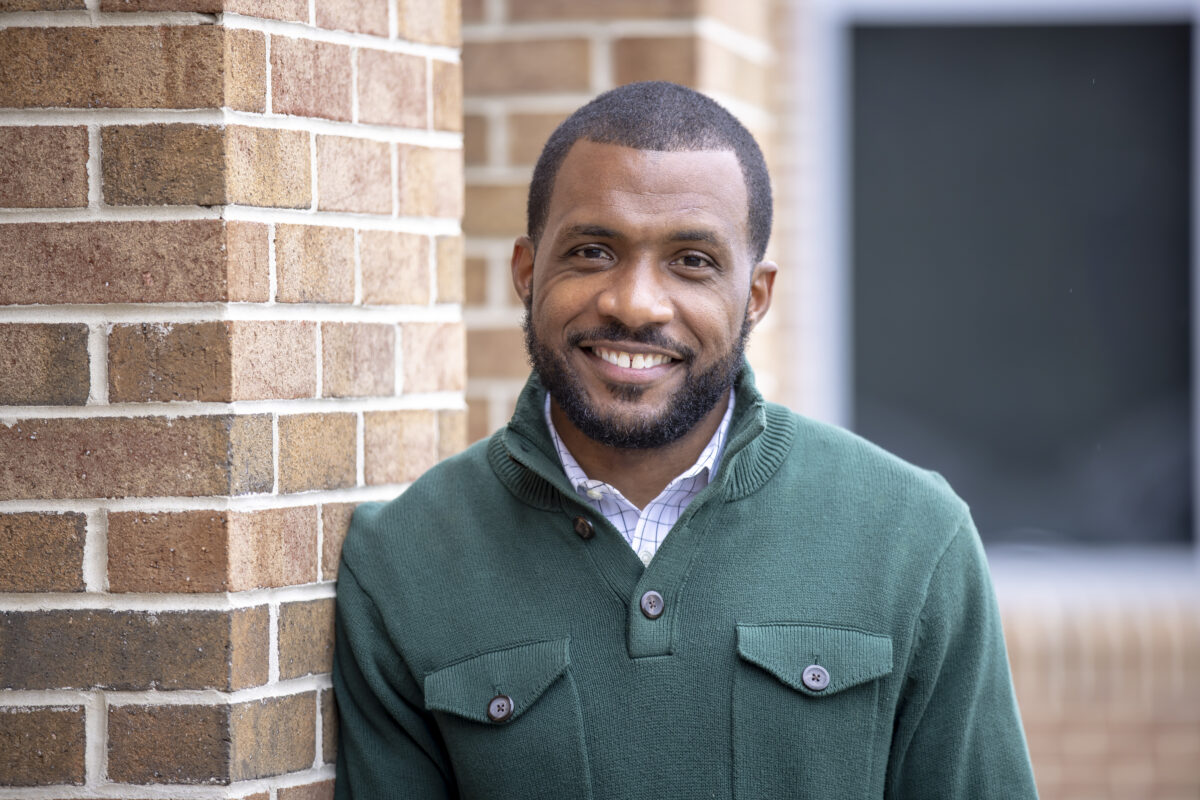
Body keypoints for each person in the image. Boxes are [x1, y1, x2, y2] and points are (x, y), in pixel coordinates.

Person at [332, 81, 1038, 799]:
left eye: (692, 261)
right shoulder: (404, 562)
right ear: (526, 270)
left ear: (755, 295)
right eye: (593, 251)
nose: (635, 303)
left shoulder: (913, 537)